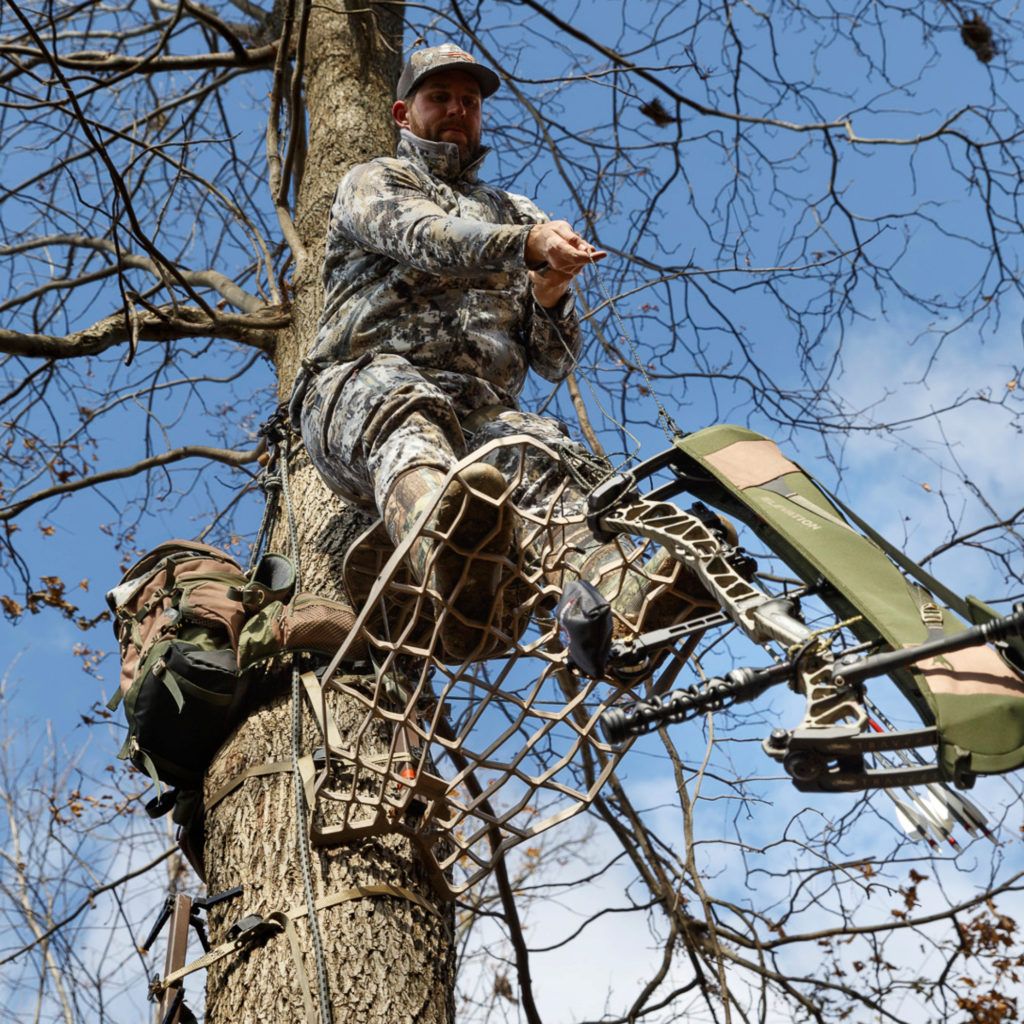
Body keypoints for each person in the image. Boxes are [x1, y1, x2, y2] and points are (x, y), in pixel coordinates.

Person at [296, 42, 714, 662]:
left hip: (481, 415)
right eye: (440, 97)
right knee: (400, 401)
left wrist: (550, 292)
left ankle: (629, 606)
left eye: (470, 100)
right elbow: (427, 237)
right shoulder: (377, 180)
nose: (458, 109)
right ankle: (444, 553)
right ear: (402, 113)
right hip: (359, 390)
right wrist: (528, 244)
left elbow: (553, 360)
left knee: (540, 454)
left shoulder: (512, 208)